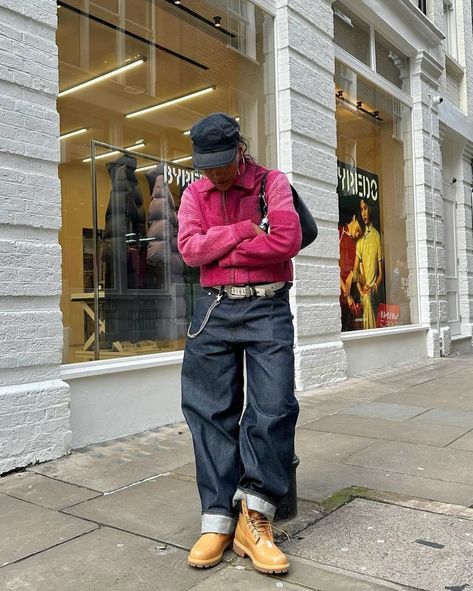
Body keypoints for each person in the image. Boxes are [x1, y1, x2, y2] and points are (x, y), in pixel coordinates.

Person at [177, 113, 301, 575]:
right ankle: (217, 519)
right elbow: (190, 250)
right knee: (209, 413)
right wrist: (246, 231)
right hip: (212, 309)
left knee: (273, 407)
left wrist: (219, 246)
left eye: (222, 164)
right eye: (206, 166)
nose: (215, 174)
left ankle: (255, 517)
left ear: (240, 150)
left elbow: (286, 240)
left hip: (267, 309)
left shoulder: (272, 183)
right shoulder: (194, 193)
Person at [353, 198, 383, 329]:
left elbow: (381, 273)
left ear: (370, 209)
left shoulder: (377, 236)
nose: (363, 213)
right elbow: (355, 273)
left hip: (374, 295)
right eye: (361, 209)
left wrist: (373, 288)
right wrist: (361, 291)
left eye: (365, 208)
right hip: (363, 296)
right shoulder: (359, 241)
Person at [339, 211, 364, 331]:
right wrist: (347, 294)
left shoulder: (357, 243)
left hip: (350, 293)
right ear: (354, 219)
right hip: (338, 291)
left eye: (360, 233)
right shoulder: (339, 233)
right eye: (358, 229)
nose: (358, 234)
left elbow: (356, 271)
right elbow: (332, 266)